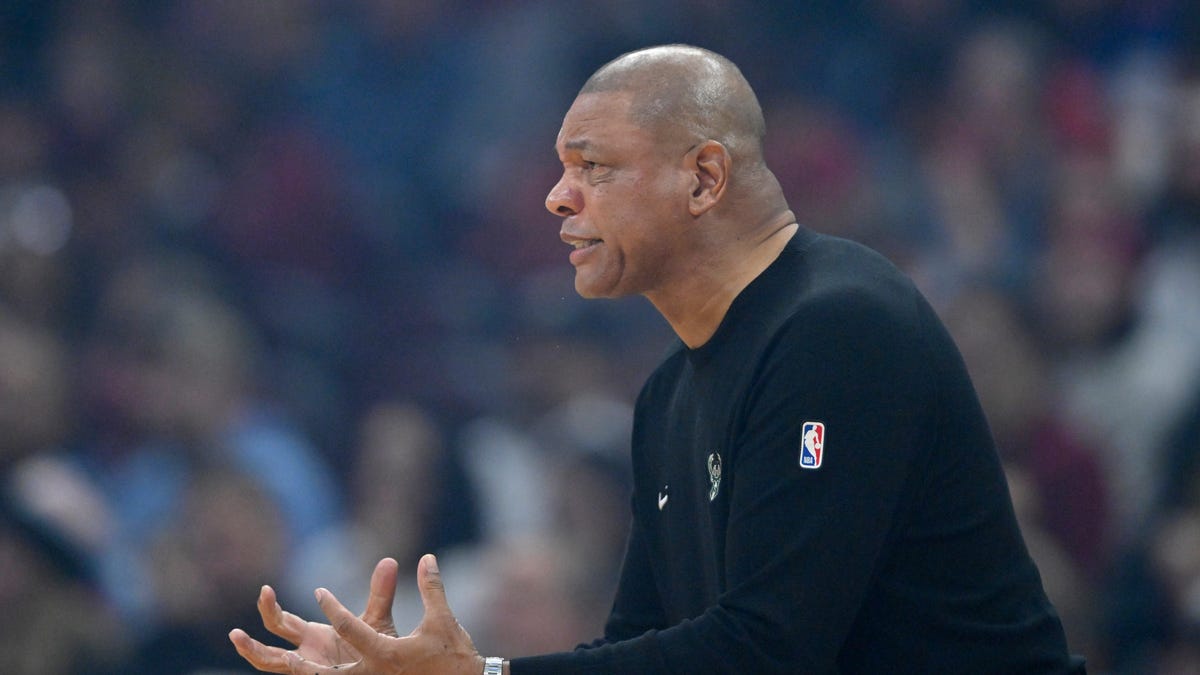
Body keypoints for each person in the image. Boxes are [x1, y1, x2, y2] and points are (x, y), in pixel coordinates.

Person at [230, 44, 1086, 674]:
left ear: (705, 178)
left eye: (592, 167)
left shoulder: (839, 325)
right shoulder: (668, 395)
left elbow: (767, 650)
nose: (557, 197)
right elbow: (638, 652)